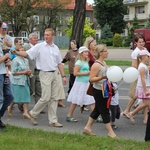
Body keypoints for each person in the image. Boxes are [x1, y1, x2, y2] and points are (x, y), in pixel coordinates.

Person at [11, 28, 66, 127]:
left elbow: (59, 63)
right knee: (45, 97)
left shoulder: (55, 48)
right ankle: (33, 113)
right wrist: (17, 53)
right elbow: (27, 53)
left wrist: (63, 76)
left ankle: (53, 121)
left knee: (54, 98)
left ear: (53, 36)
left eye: (48, 35)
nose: (46, 36)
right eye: (45, 34)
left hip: (55, 74)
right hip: (44, 73)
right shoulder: (40, 46)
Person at [83, 44, 117, 138]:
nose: (107, 52)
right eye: (106, 51)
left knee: (98, 109)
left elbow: (107, 77)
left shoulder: (104, 63)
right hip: (98, 91)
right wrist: (102, 77)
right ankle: (110, 132)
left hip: (105, 90)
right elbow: (91, 79)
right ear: (101, 53)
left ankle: (87, 128)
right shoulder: (96, 65)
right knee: (105, 110)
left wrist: (112, 84)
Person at [66, 46, 95, 122]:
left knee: (91, 100)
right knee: (75, 100)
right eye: (85, 52)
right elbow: (75, 73)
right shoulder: (79, 62)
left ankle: (96, 115)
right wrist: (87, 73)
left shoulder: (86, 61)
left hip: (86, 83)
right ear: (81, 53)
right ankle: (69, 115)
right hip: (80, 83)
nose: (87, 53)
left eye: (87, 52)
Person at [123, 34, 146, 117]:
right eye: (140, 42)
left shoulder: (144, 49)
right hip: (138, 75)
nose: (142, 43)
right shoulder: (135, 52)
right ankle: (127, 110)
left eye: (143, 41)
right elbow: (134, 66)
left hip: (145, 74)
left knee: (144, 94)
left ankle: (143, 110)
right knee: (134, 95)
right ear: (136, 42)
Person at [126, 50, 150, 124]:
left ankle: (132, 114)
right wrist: (145, 90)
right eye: (148, 56)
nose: (149, 58)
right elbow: (142, 78)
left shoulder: (144, 65)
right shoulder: (142, 67)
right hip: (143, 87)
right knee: (146, 103)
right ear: (143, 57)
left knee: (147, 103)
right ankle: (131, 113)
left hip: (146, 86)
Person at [8, 45, 31, 119]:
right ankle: (10, 106)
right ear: (17, 51)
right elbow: (13, 72)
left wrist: (28, 72)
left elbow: (27, 69)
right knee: (16, 97)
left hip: (25, 80)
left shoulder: (26, 60)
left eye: (24, 50)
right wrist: (23, 72)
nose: (23, 51)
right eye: (21, 50)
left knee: (27, 97)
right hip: (18, 81)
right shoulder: (15, 60)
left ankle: (25, 112)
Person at [84, 36, 103, 122]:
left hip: (96, 72)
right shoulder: (87, 53)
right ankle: (96, 116)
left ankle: (84, 106)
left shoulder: (95, 52)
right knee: (92, 95)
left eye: (95, 44)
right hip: (91, 74)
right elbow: (84, 63)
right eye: (93, 44)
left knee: (93, 96)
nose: (95, 45)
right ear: (89, 44)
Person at [0, 20, 13, 129]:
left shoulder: (3, 39)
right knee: (0, 98)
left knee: (9, 96)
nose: (3, 30)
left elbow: (5, 51)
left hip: (4, 72)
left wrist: (7, 61)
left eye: (5, 28)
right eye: (2, 28)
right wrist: (4, 57)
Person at [23, 33, 41, 105]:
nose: (36, 40)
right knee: (31, 90)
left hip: (38, 71)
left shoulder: (39, 47)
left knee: (39, 90)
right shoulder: (25, 47)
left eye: (37, 38)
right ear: (30, 39)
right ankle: (21, 103)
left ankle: (38, 107)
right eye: (34, 38)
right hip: (30, 71)